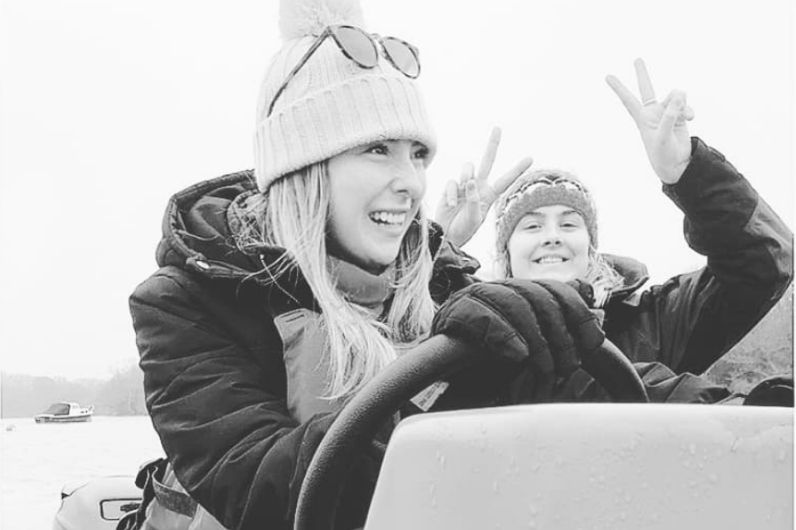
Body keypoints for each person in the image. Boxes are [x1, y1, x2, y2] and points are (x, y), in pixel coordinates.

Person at [123, 1, 604, 529]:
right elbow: (266, 491)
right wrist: (462, 387)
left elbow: (599, 394)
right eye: (378, 149)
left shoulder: (444, 284)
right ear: (305, 166)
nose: (412, 183)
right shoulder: (184, 304)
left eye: (417, 154)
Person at [471, 59, 792, 402]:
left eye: (568, 223)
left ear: (590, 250)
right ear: (505, 251)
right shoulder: (467, 329)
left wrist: (690, 173)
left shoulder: (652, 323)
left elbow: (763, 261)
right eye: (532, 225)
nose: (553, 236)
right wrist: (440, 240)